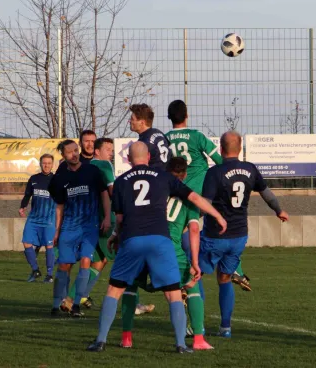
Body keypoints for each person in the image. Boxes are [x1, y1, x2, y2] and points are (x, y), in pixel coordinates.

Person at [86, 142, 227, 354]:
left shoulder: (122, 181)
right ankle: (180, 344)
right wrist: (217, 215)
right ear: (149, 158)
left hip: (133, 239)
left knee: (115, 290)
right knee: (173, 294)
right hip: (160, 241)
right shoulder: (163, 176)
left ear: (128, 159)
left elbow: (120, 219)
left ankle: (101, 341)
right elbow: (195, 198)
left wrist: (115, 236)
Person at [199, 131, 289, 338]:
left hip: (215, 236)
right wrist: (279, 211)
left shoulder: (215, 172)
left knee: (195, 276)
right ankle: (226, 328)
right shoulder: (250, 169)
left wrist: (189, 216)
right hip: (239, 236)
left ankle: (198, 326)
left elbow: (206, 205)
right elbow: (267, 193)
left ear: (220, 149)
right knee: (225, 278)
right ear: (240, 149)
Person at [119, 157, 214, 351]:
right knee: (191, 288)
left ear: (165, 171)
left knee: (130, 288)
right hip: (171, 251)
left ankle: (126, 337)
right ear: (185, 175)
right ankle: (197, 338)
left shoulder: (154, 191)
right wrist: (195, 261)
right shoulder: (188, 199)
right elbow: (194, 231)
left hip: (141, 246)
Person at [165, 99, 252, 292]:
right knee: (219, 229)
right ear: (187, 115)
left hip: (180, 194)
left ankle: (188, 283)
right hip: (203, 193)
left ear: (169, 117)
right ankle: (235, 269)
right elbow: (218, 159)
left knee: (187, 236)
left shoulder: (166, 138)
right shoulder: (196, 136)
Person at [48, 140, 111, 317]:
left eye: (76, 150)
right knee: (64, 265)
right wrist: (57, 230)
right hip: (69, 226)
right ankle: (56, 304)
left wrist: (106, 217)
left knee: (85, 260)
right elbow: (59, 206)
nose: (74, 154)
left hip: (89, 226)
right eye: (70, 152)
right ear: (63, 155)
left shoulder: (92, 171)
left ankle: (76, 305)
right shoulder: (60, 178)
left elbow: (104, 194)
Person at [19, 154, 56, 283]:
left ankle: (50, 274)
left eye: (49, 163)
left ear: (52, 164)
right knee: (26, 242)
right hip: (33, 218)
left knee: (49, 246)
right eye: (44, 163)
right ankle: (35, 270)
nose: (46, 165)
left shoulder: (56, 180)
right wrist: (22, 206)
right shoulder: (34, 179)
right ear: (40, 164)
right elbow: (27, 194)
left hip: (49, 219)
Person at [129, 104, 172, 170]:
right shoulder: (160, 134)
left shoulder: (143, 142)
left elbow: (139, 167)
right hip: (166, 176)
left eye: (132, 119)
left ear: (142, 123)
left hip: (153, 177)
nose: (129, 121)